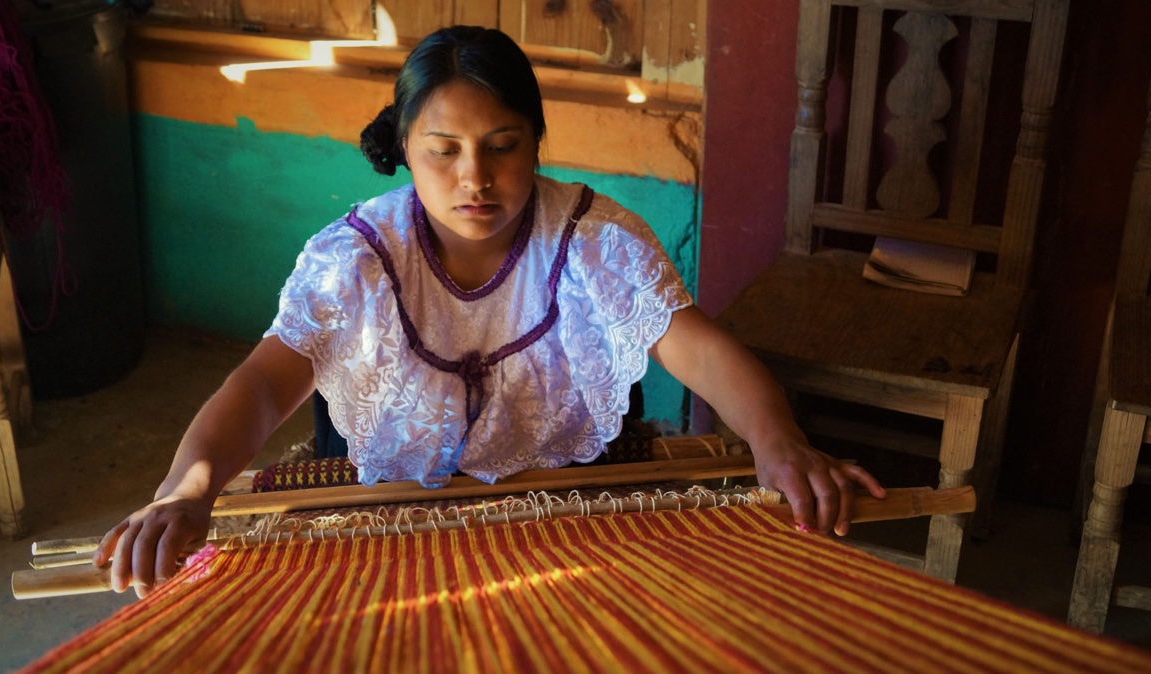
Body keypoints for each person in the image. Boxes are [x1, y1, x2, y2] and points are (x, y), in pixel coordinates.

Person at [94, 25, 885, 598]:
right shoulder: (357, 258)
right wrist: (184, 491)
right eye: (444, 150)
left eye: (503, 144)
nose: (476, 176)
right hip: (387, 516)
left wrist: (780, 445)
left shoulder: (591, 242)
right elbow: (266, 384)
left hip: (565, 512)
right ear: (405, 147)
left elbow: (701, 351)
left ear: (538, 144)